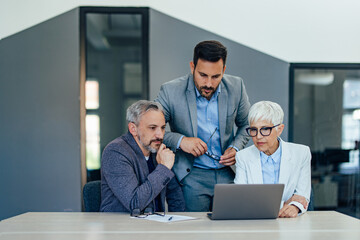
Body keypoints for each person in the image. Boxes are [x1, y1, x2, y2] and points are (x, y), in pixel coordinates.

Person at [155, 40, 250, 211]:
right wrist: (181, 141)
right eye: (203, 75)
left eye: (216, 77)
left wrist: (236, 148)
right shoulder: (170, 91)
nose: (208, 83)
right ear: (192, 67)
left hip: (229, 173)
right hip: (191, 175)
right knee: (194, 231)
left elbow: (247, 125)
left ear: (224, 70)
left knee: (231, 230)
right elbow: (152, 129)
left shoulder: (237, 87)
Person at [100, 100, 185, 215]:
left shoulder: (157, 149)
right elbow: (134, 204)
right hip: (122, 227)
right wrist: (163, 168)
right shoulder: (115, 152)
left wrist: (180, 225)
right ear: (133, 129)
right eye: (152, 128)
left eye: (163, 128)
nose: (160, 135)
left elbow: (175, 196)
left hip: (154, 226)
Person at [234, 101, 311, 218]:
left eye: (265, 129)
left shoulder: (301, 153)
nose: (258, 136)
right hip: (254, 222)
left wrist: (294, 206)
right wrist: (285, 203)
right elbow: (240, 199)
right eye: (253, 130)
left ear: (279, 129)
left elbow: (302, 196)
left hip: (290, 222)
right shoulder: (243, 157)